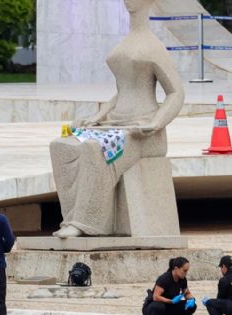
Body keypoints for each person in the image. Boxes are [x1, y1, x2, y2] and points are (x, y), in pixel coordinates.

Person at [49, 0, 184, 238]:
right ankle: (70, 217)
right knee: (61, 146)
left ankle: (86, 222)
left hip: (142, 133)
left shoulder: (154, 47)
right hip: (114, 125)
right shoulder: (125, 43)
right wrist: (98, 115)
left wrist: (156, 122)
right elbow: (122, 91)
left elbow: (176, 92)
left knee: (94, 149)